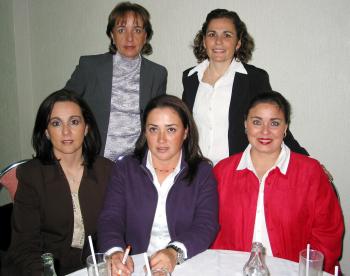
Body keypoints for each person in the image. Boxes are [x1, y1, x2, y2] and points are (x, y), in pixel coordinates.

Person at [211, 91, 344, 274]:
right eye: (257, 122)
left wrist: (310, 270)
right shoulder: (222, 172)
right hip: (231, 269)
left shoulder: (310, 172)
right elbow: (208, 228)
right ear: (245, 125)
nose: (265, 131)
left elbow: (328, 234)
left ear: (285, 128)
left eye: (274, 123)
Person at [98, 95, 219, 275]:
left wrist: (174, 252)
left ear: (185, 132)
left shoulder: (203, 172)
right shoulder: (125, 168)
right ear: (145, 132)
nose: (161, 139)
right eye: (153, 129)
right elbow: (110, 218)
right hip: (134, 266)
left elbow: (206, 224)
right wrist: (115, 251)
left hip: (185, 263)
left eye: (171, 130)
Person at [2, 90, 113, 275]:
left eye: (74, 122)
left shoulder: (107, 171)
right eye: (56, 123)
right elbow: (24, 247)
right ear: (46, 132)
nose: (66, 131)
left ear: (86, 128)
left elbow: (117, 226)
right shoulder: (31, 175)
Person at [182, 8, 307, 164]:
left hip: (237, 171)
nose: (218, 41)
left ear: (238, 43)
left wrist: (306, 161)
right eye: (212, 34)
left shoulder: (254, 78)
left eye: (227, 35)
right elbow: (184, 128)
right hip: (198, 172)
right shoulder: (190, 78)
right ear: (204, 41)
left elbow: (274, 124)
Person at [65, 2, 167, 161]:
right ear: (112, 35)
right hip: (94, 160)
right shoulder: (90, 67)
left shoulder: (157, 74)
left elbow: (158, 121)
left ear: (145, 36)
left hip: (138, 163)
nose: (130, 38)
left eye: (137, 30)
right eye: (121, 30)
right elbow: (63, 105)